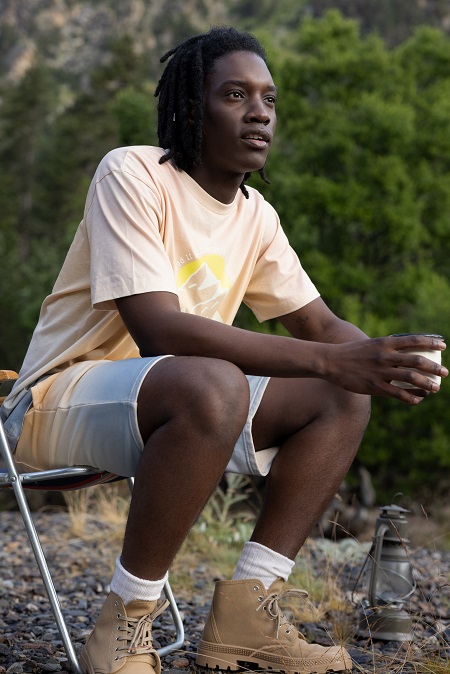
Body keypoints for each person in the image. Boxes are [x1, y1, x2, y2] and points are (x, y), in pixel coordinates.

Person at [1, 26, 447, 674]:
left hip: (179, 404)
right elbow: (161, 332)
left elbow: (323, 328)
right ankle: (123, 625)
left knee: (339, 397)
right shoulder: (133, 173)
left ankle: (247, 616)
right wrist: (333, 359)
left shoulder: (255, 215)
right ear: (192, 108)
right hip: (54, 404)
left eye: (268, 98)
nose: (259, 111)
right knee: (216, 382)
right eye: (236, 95)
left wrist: (385, 360)